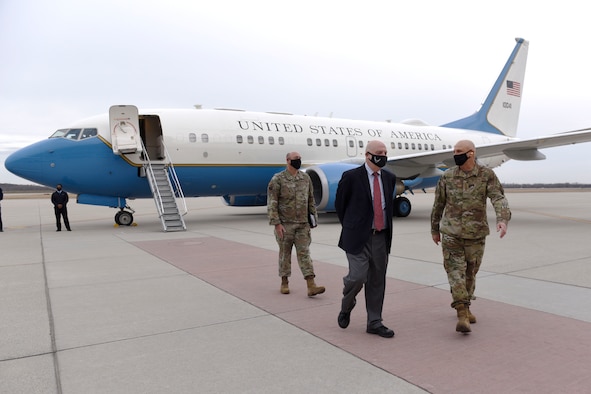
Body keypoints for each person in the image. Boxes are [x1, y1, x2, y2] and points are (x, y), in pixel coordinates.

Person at [431, 139, 511, 333]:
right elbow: (438, 204)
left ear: (471, 153)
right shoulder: (447, 176)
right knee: (455, 272)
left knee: (470, 274)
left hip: (476, 234)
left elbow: (498, 198)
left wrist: (503, 219)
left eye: (459, 151)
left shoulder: (486, 175)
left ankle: (466, 307)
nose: (455, 154)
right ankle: (461, 313)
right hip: (451, 233)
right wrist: (434, 229)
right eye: (454, 150)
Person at [335, 140, 397, 338]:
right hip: (357, 237)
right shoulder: (351, 177)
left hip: (381, 236)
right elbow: (340, 205)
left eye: (386, 152)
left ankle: (374, 322)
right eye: (379, 152)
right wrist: (353, 226)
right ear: (368, 155)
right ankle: (347, 305)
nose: (383, 155)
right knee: (357, 276)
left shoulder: (389, 177)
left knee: (377, 281)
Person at [267, 152, 325, 297]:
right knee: (285, 254)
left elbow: (310, 199)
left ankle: (311, 285)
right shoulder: (278, 179)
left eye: (299, 159)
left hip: (302, 224)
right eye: (295, 159)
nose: (298, 161)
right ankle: (284, 282)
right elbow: (272, 202)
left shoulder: (305, 178)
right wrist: (276, 224)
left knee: (304, 253)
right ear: (287, 161)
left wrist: (313, 218)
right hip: (285, 225)